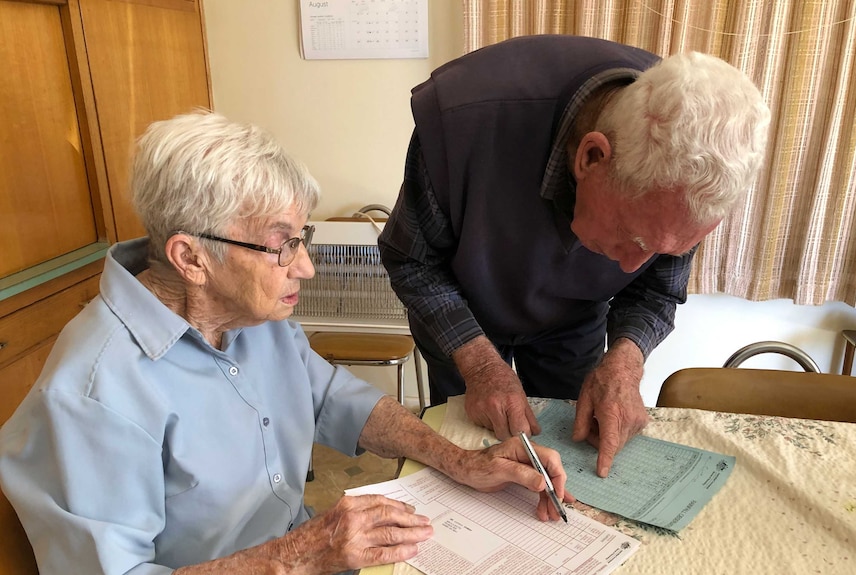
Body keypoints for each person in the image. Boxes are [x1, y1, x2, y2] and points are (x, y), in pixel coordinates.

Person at [0, 111, 574, 575]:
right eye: (281, 245)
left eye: (303, 238)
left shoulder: (253, 317)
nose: (304, 267)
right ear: (190, 257)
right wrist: (297, 557)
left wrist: (460, 461)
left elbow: (334, 400)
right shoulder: (93, 392)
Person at [378, 35, 771, 478]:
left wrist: (626, 361)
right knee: (465, 460)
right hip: (460, 313)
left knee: (573, 457)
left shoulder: (688, 175)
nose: (628, 268)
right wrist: (481, 366)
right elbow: (411, 260)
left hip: (574, 321)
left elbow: (656, 290)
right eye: (633, 239)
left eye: (663, 250)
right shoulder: (462, 120)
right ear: (592, 157)